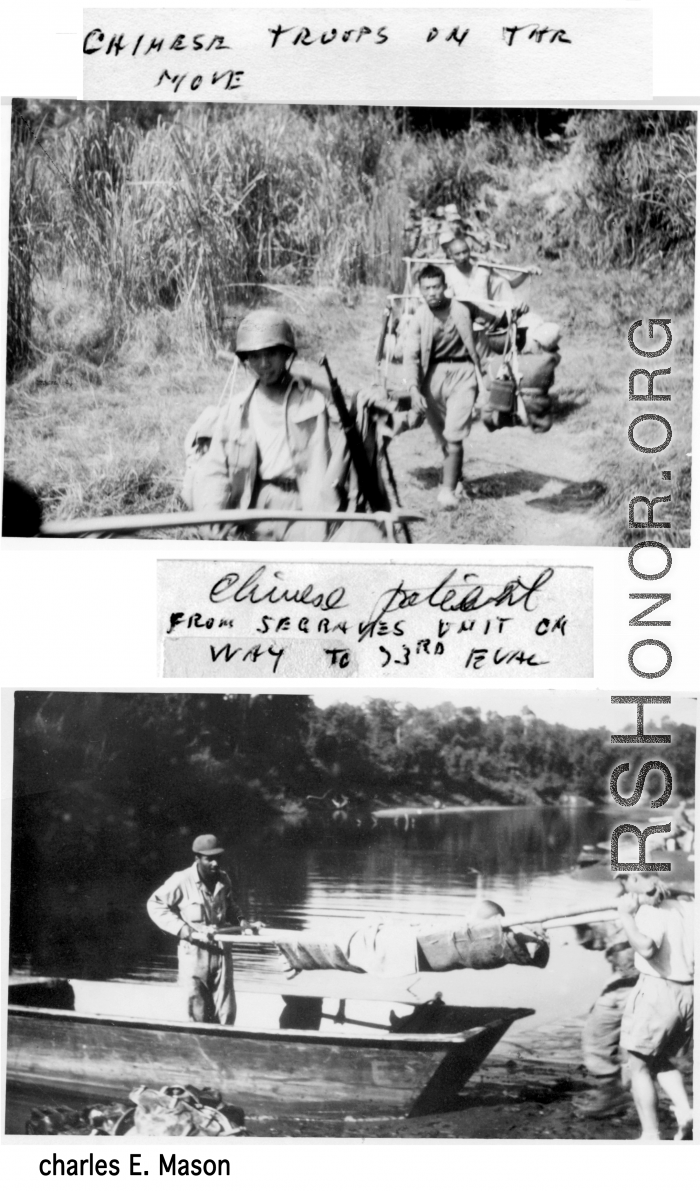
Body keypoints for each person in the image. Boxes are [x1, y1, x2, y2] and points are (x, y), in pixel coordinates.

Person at [184, 311, 348, 541]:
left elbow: (345, 425)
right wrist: (212, 520)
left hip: (300, 505)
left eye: (271, 353)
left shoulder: (310, 402)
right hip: (253, 503)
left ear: (286, 354)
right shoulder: (237, 409)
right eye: (254, 356)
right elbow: (216, 470)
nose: (263, 364)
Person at [615, 872, 694, 1140]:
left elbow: (647, 948)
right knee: (658, 1058)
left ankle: (650, 1135)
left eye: (624, 880)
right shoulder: (687, 904)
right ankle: (685, 1112)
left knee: (637, 1065)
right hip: (688, 992)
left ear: (636, 879)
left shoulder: (650, 909)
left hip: (659, 990)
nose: (622, 886)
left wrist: (627, 917)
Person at [404, 264, 488, 510]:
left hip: (463, 375)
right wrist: (413, 388)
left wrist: (514, 313)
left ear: (445, 287)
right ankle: (456, 478)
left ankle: (447, 492)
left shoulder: (463, 309)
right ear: (420, 291)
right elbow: (411, 355)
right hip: (432, 378)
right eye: (427, 288)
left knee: (454, 435)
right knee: (444, 437)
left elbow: (496, 316)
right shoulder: (420, 317)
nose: (432, 292)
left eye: (436, 287)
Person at [147, 833, 250, 1025]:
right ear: (197, 858)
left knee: (226, 1013)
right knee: (197, 1014)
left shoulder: (224, 879)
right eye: (209, 859)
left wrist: (241, 920)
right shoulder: (181, 880)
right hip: (194, 955)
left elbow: (231, 905)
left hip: (221, 954)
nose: (214, 864)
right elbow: (155, 904)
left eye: (218, 858)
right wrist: (184, 930)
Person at [574, 918, 638, 1118]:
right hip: (626, 981)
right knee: (603, 1038)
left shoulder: (645, 908)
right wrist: (578, 923)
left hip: (636, 982)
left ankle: (615, 1093)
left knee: (599, 1040)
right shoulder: (619, 909)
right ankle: (619, 1091)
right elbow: (596, 941)